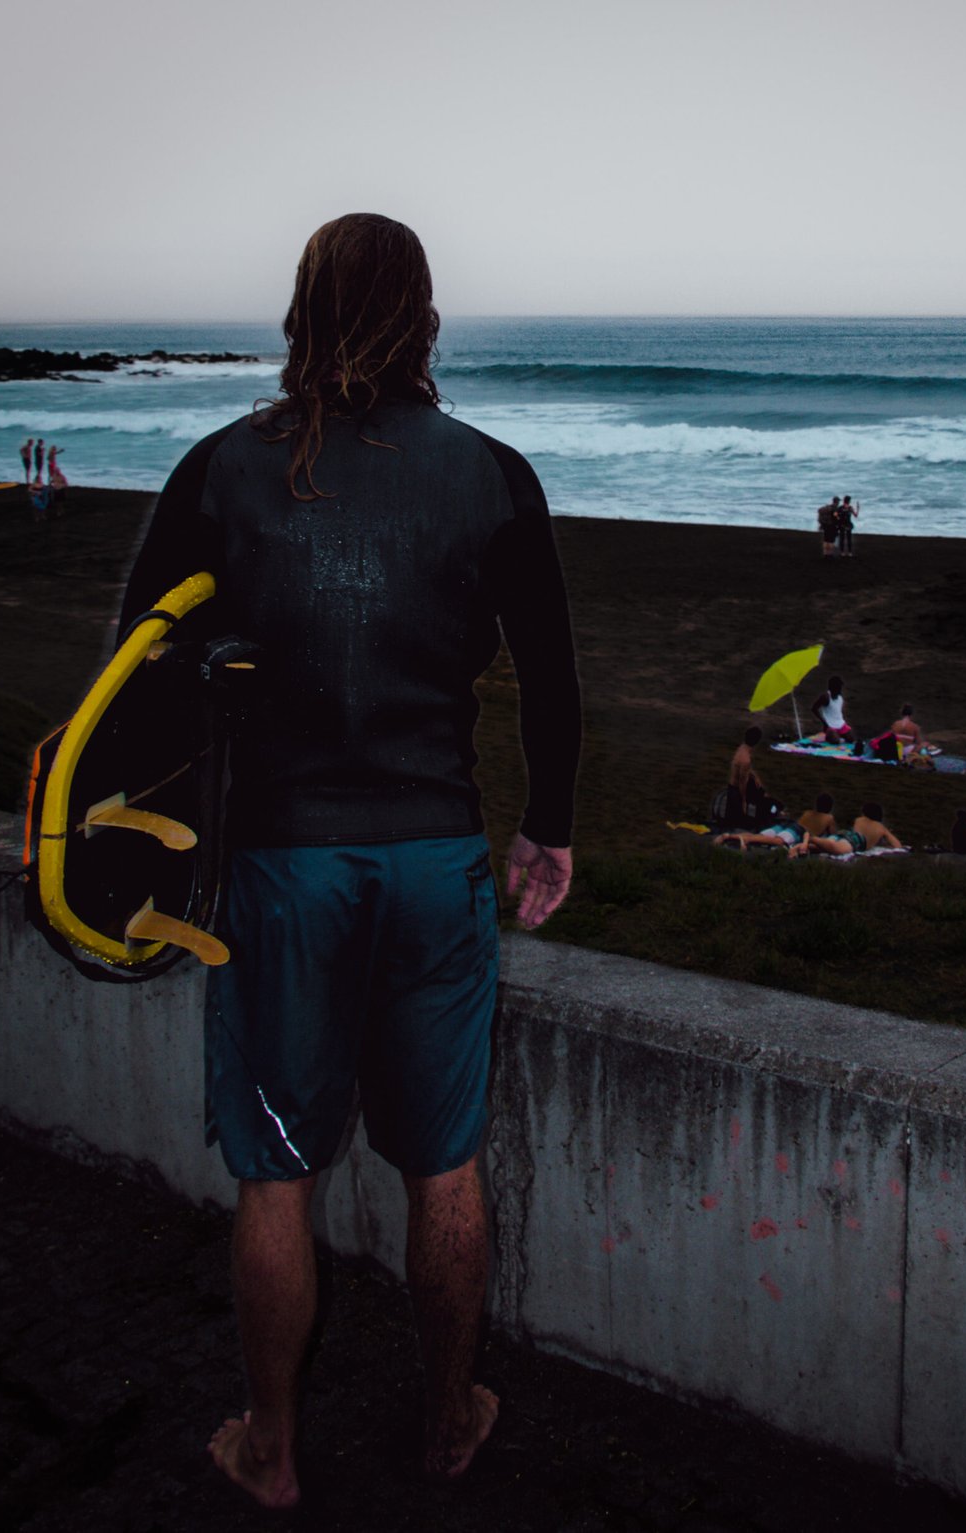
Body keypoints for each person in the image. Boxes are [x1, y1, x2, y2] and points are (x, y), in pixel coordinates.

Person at [118, 214, 581, 1505]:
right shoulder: (490, 471)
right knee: (445, 1164)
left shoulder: (220, 468)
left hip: (282, 867)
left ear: (300, 309)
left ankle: (271, 1445)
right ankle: (446, 1418)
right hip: (435, 861)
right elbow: (552, 676)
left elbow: (136, 672)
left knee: (276, 1174)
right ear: (425, 315)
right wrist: (548, 826)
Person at [808, 800, 904, 857]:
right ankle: (810, 838)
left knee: (821, 847)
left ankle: (807, 842)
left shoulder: (859, 820)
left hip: (845, 835)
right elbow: (897, 846)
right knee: (838, 849)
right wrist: (886, 834)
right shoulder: (881, 827)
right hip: (855, 841)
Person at [812, 675, 852, 744]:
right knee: (835, 741)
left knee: (851, 739)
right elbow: (814, 709)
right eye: (838, 687)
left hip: (841, 724)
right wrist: (824, 722)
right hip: (830, 725)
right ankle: (830, 735)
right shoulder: (825, 697)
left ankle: (838, 735)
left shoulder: (840, 697)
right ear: (833, 688)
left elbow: (837, 712)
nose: (840, 689)